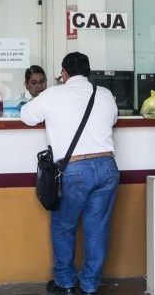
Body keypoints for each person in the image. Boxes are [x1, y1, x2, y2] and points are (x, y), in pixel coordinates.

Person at [20, 52, 118, 295]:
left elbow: (26, 116)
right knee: (97, 229)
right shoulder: (105, 94)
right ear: (88, 71)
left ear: (64, 72)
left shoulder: (53, 94)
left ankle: (65, 283)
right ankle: (90, 284)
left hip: (74, 170)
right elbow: (113, 118)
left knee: (64, 226)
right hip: (107, 167)